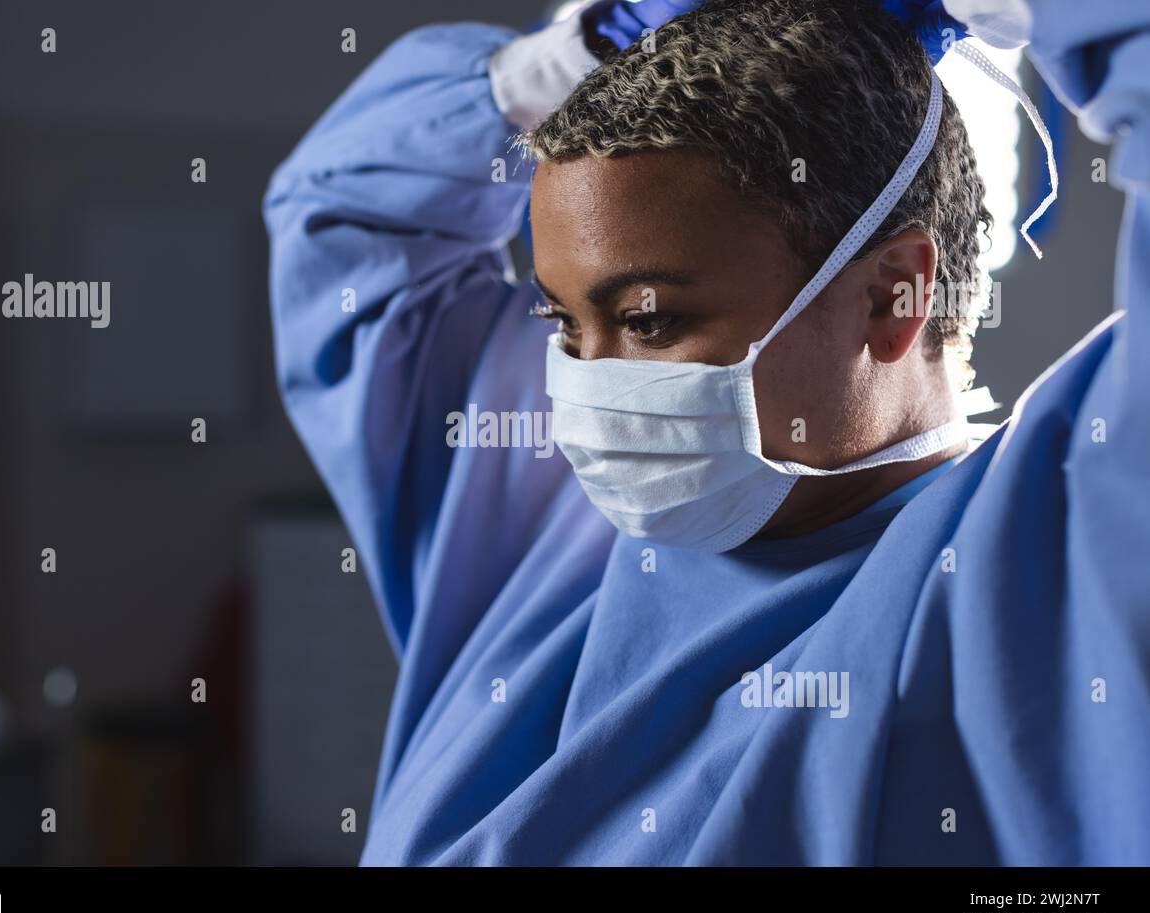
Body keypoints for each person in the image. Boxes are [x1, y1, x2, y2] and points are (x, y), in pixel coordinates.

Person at [262, 0, 1149, 864]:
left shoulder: (1031, 575)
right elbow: (344, 220)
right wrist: (576, 52)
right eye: (563, 324)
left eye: (649, 321)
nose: (590, 383)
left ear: (893, 295)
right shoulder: (539, 526)